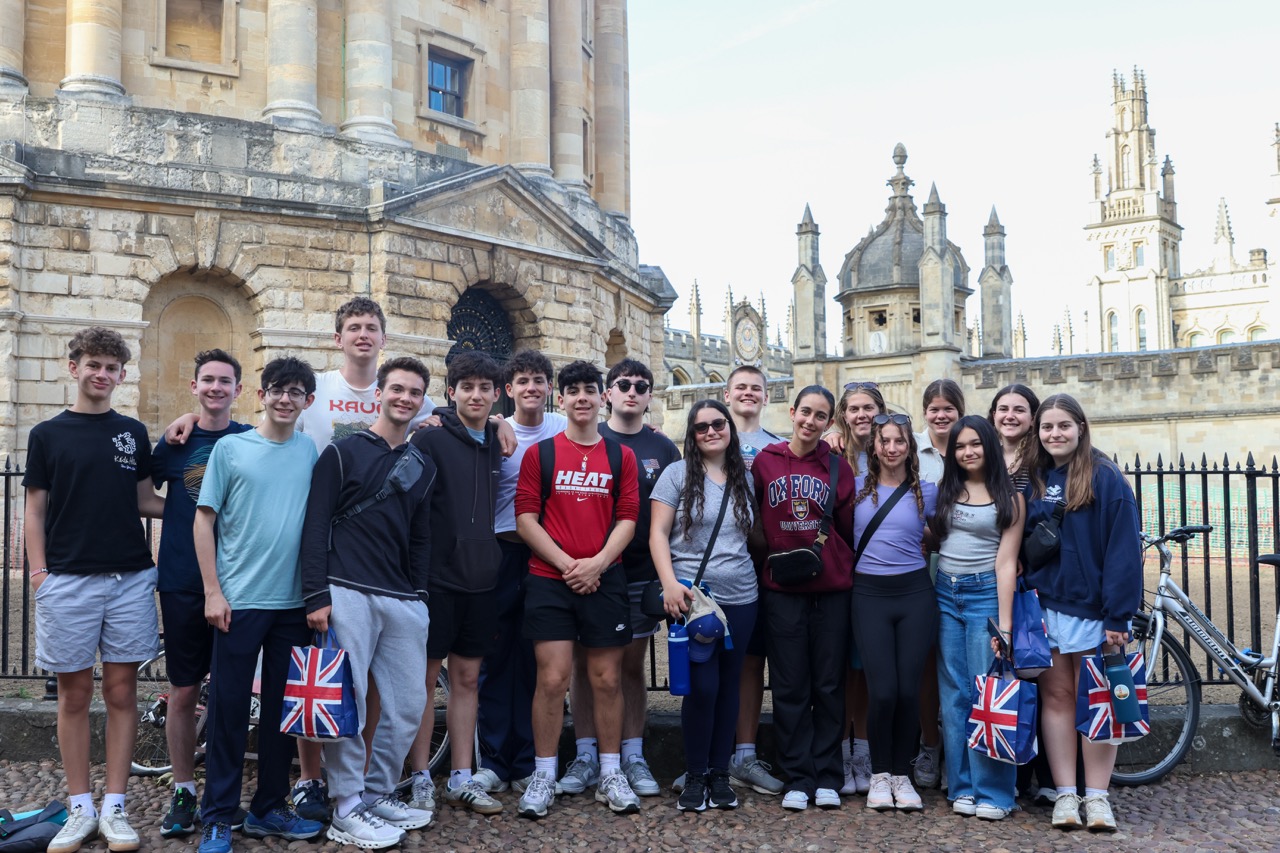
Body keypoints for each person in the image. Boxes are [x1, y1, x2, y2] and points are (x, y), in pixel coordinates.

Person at [25, 327, 165, 853]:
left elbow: (146, 501)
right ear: (74, 368)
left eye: (111, 367)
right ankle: (80, 806)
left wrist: (204, 513)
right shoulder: (47, 435)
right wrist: (39, 574)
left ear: (121, 375)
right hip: (67, 581)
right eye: (93, 365)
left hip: (129, 579)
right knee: (74, 695)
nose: (101, 374)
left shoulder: (131, 431)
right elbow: (34, 510)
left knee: (123, 692)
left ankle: (116, 806)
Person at [300, 357, 437, 849]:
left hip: (402, 598)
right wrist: (316, 594)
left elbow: (421, 537)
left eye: (414, 392)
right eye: (397, 388)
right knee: (348, 704)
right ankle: (345, 804)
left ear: (423, 400)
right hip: (345, 589)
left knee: (408, 705)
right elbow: (315, 524)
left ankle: (377, 792)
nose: (404, 397)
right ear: (379, 392)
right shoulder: (342, 452)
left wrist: (420, 596)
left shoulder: (423, 466)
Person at [194, 356, 324, 853]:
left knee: (280, 715)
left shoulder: (309, 450)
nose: (286, 399)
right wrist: (212, 590)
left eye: (296, 392)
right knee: (228, 712)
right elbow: (203, 521)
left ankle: (269, 808)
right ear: (261, 395)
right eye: (278, 390)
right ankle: (219, 816)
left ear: (307, 401)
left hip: (293, 604)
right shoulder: (231, 449)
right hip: (239, 600)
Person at [513, 361, 641, 819]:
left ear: (602, 397)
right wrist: (569, 565)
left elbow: (628, 516)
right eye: (573, 390)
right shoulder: (540, 455)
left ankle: (610, 771)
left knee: (606, 679)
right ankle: (544, 773)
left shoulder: (619, 457)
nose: (582, 397)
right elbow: (525, 518)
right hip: (551, 579)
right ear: (560, 399)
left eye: (590, 389)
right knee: (551, 679)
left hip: (604, 579)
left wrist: (598, 564)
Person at [559, 359, 679, 798]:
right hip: (587, 573)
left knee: (629, 666)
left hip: (639, 574)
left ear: (650, 396)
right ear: (608, 392)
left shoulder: (663, 448)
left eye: (641, 386)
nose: (632, 391)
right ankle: (587, 752)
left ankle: (632, 753)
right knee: (584, 666)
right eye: (623, 384)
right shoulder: (590, 434)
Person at [1023, 393, 1142, 833]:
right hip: (1047, 607)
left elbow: (1123, 550)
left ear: (1080, 427)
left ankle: (1098, 798)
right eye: (1047, 427)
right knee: (1056, 699)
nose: (1055, 434)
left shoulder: (1106, 477)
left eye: (1063, 426)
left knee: (1099, 704)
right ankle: (1065, 795)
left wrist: (1118, 616)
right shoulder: (1034, 478)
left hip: (1094, 612)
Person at [150, 349, 251, 839]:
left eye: (224, 381)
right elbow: (142, 496)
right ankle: (184, 788)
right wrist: (182, 518)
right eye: (207, 380)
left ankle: (222, 794)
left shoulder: (251, 440)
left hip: (239, 583)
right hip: (182, 581)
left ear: (238, 389)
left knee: (231, 695)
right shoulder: (174, 442)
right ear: (194, 386)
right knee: (185, 690)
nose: (215, 388)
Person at [407, 351, 506, 816]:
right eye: (467, 387)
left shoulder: (494, 437)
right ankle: (422, 775)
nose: (477, 395)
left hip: (481, 578)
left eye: (485, 387)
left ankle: (462, 777)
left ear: (495, 393)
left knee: (467, 679)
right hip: (436, 580)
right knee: (426, 682)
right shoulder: (429, 439)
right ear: (451, 392)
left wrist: (500, 422)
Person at [751, 386, 857, 812]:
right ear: (792, 412)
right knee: (790, 685)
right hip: (783, 590)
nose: (811, 422)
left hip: (831, 590)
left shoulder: (838, 468)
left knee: (829, 685)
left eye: (821, 416)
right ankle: (798, 774)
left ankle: (828, 774)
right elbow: (754, 522)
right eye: (805, 412)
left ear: (830, 423)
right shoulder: (766, 462)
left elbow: (849, 529)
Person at [651, 400, 758, 812]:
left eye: (718, 424)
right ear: (692, 436)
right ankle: (695, 774)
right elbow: (657, 534)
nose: (712, 431)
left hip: (743, 596)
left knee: (730, 687)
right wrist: (669, 585)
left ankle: (719, 773)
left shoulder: (746, 477)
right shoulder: (677, 475)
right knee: (702, 688)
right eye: (701, 427)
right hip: (695, 599)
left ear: (729, 427)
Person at [474, 350, 566, 794]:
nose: (531, 387)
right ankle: (493, 759)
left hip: (545, 556)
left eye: (539, 380)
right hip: (501, 552)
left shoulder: (562, 428)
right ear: (507, 390)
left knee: (537, 662)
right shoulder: (493, 429)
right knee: (495, 658)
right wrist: (495, 421)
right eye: (522, 381)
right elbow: (433, 418)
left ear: (550, 388)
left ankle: (531, 759)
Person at [930, 416, 1024, 820]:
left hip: (985, 592)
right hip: (945, 593)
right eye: (960, 446)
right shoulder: (945, 490)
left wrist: (1003, 625)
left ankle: (996, 792)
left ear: (988, 445)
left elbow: (1007, 562)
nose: (967, 452)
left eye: (975, 444)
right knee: (954, 696)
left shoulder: (1010, 497)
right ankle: (962, 786)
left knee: (988, 692)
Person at [852, 413, 937, 812]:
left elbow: (949, 533)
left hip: (914, 594)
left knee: (908, 691)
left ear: (909, 447)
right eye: (884, 441)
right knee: (882, 691)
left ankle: (902, 776)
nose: (891, 448)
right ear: (874, 447)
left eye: (899, 441)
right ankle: (879, 775)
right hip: (869, 595)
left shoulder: (928, 492)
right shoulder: (854, 492)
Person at [718, 365, 786, 796]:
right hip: (715, 569)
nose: (748, 393)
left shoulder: (778, 447)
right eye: (740, 387)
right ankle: (707, 755)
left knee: (751, 662)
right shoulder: (708, 436)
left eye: (755, 388)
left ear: (766, 396)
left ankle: (743, 754)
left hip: (761, 567)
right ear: (727, 394)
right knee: (706, 664)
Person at [826, 381, 888, 797]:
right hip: (838, 572)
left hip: (880, 576)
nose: (862, 415)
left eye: (869, 407)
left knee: (865, 668)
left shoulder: (895, 450)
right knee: (840, 669)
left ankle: (862, 749)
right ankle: (841, 750)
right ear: (843, 416)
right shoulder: (831, 455)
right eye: (854, 408)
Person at [912, 377, 965, 788]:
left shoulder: (974, 446)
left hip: (968, 567)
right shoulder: (911, 448)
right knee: (928, 662)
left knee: (958, 663)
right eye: (934, 408)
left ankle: (960, 750)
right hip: (923, 564)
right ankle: (931, 744)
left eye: (949, 408)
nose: (941, 415)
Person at [988, 383, 1041, 491]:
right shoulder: (984, 456)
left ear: (1032, 418)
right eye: (1003, 409)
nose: (1010, 416)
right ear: (994, 416)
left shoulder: (1041, 458)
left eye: (1019, 410)